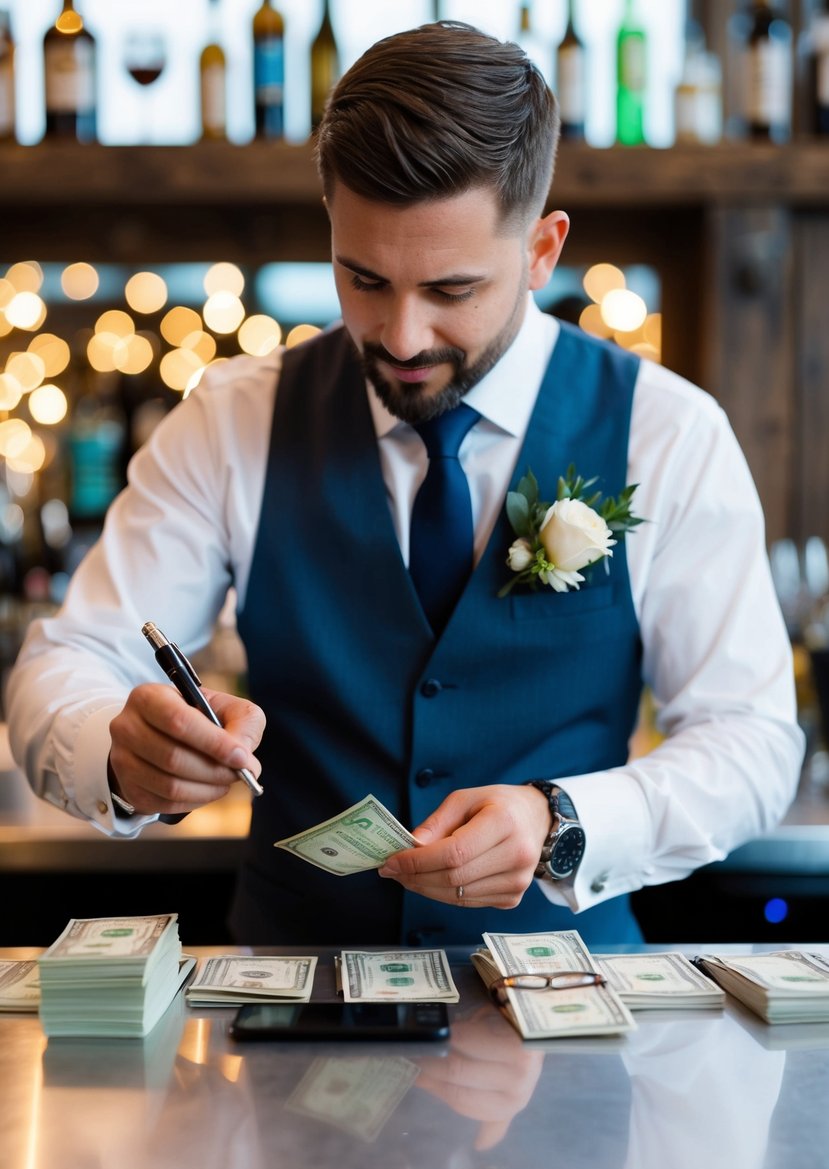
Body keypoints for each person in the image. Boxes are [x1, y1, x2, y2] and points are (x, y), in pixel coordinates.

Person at [7, 21, 803, 947]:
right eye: (363, 278)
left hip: (568, 1014)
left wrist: (566, 821)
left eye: (453, 290)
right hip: (295, 1003)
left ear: (542, 251)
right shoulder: (232, 418)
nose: (401, 335)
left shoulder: (668, 432)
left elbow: (751, 742)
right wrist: (116, 746)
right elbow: (61, 667)